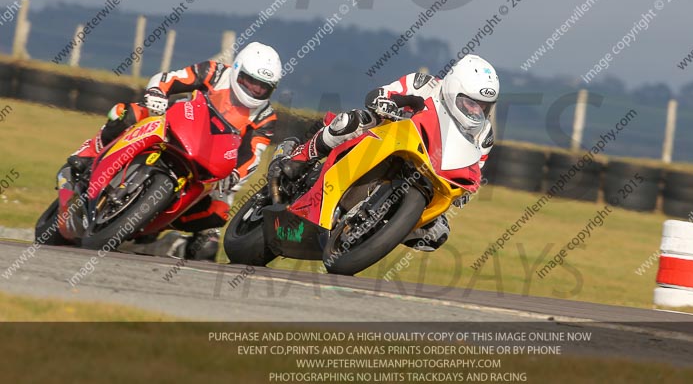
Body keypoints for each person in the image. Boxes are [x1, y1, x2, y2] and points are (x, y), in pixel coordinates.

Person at [66, 42, 282, 259]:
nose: (255, 90)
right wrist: (156, 92)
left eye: (262, 87)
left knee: (218, 213)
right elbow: (171, 78)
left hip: (209, 163)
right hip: (173, 124)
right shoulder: (214, 72)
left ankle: (158, 228)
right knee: (130, 112)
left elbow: (253, 155)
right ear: (237, 69)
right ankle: (88, 154)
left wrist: (235, 176)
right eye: (251, 81)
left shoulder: (265, 116)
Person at [274, 54, 499, 252]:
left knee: (437, 234)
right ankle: (299, 157)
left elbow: (473, 169)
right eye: (470, 103)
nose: (476, 111)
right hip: (386, 139)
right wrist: (385, 101)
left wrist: (464, 192)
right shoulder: (424, 85)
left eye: (483, 106)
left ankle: (377, 232)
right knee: (352, 121)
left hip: (430, 173)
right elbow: (383, 93)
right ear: (453, 89)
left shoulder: (484, 134)